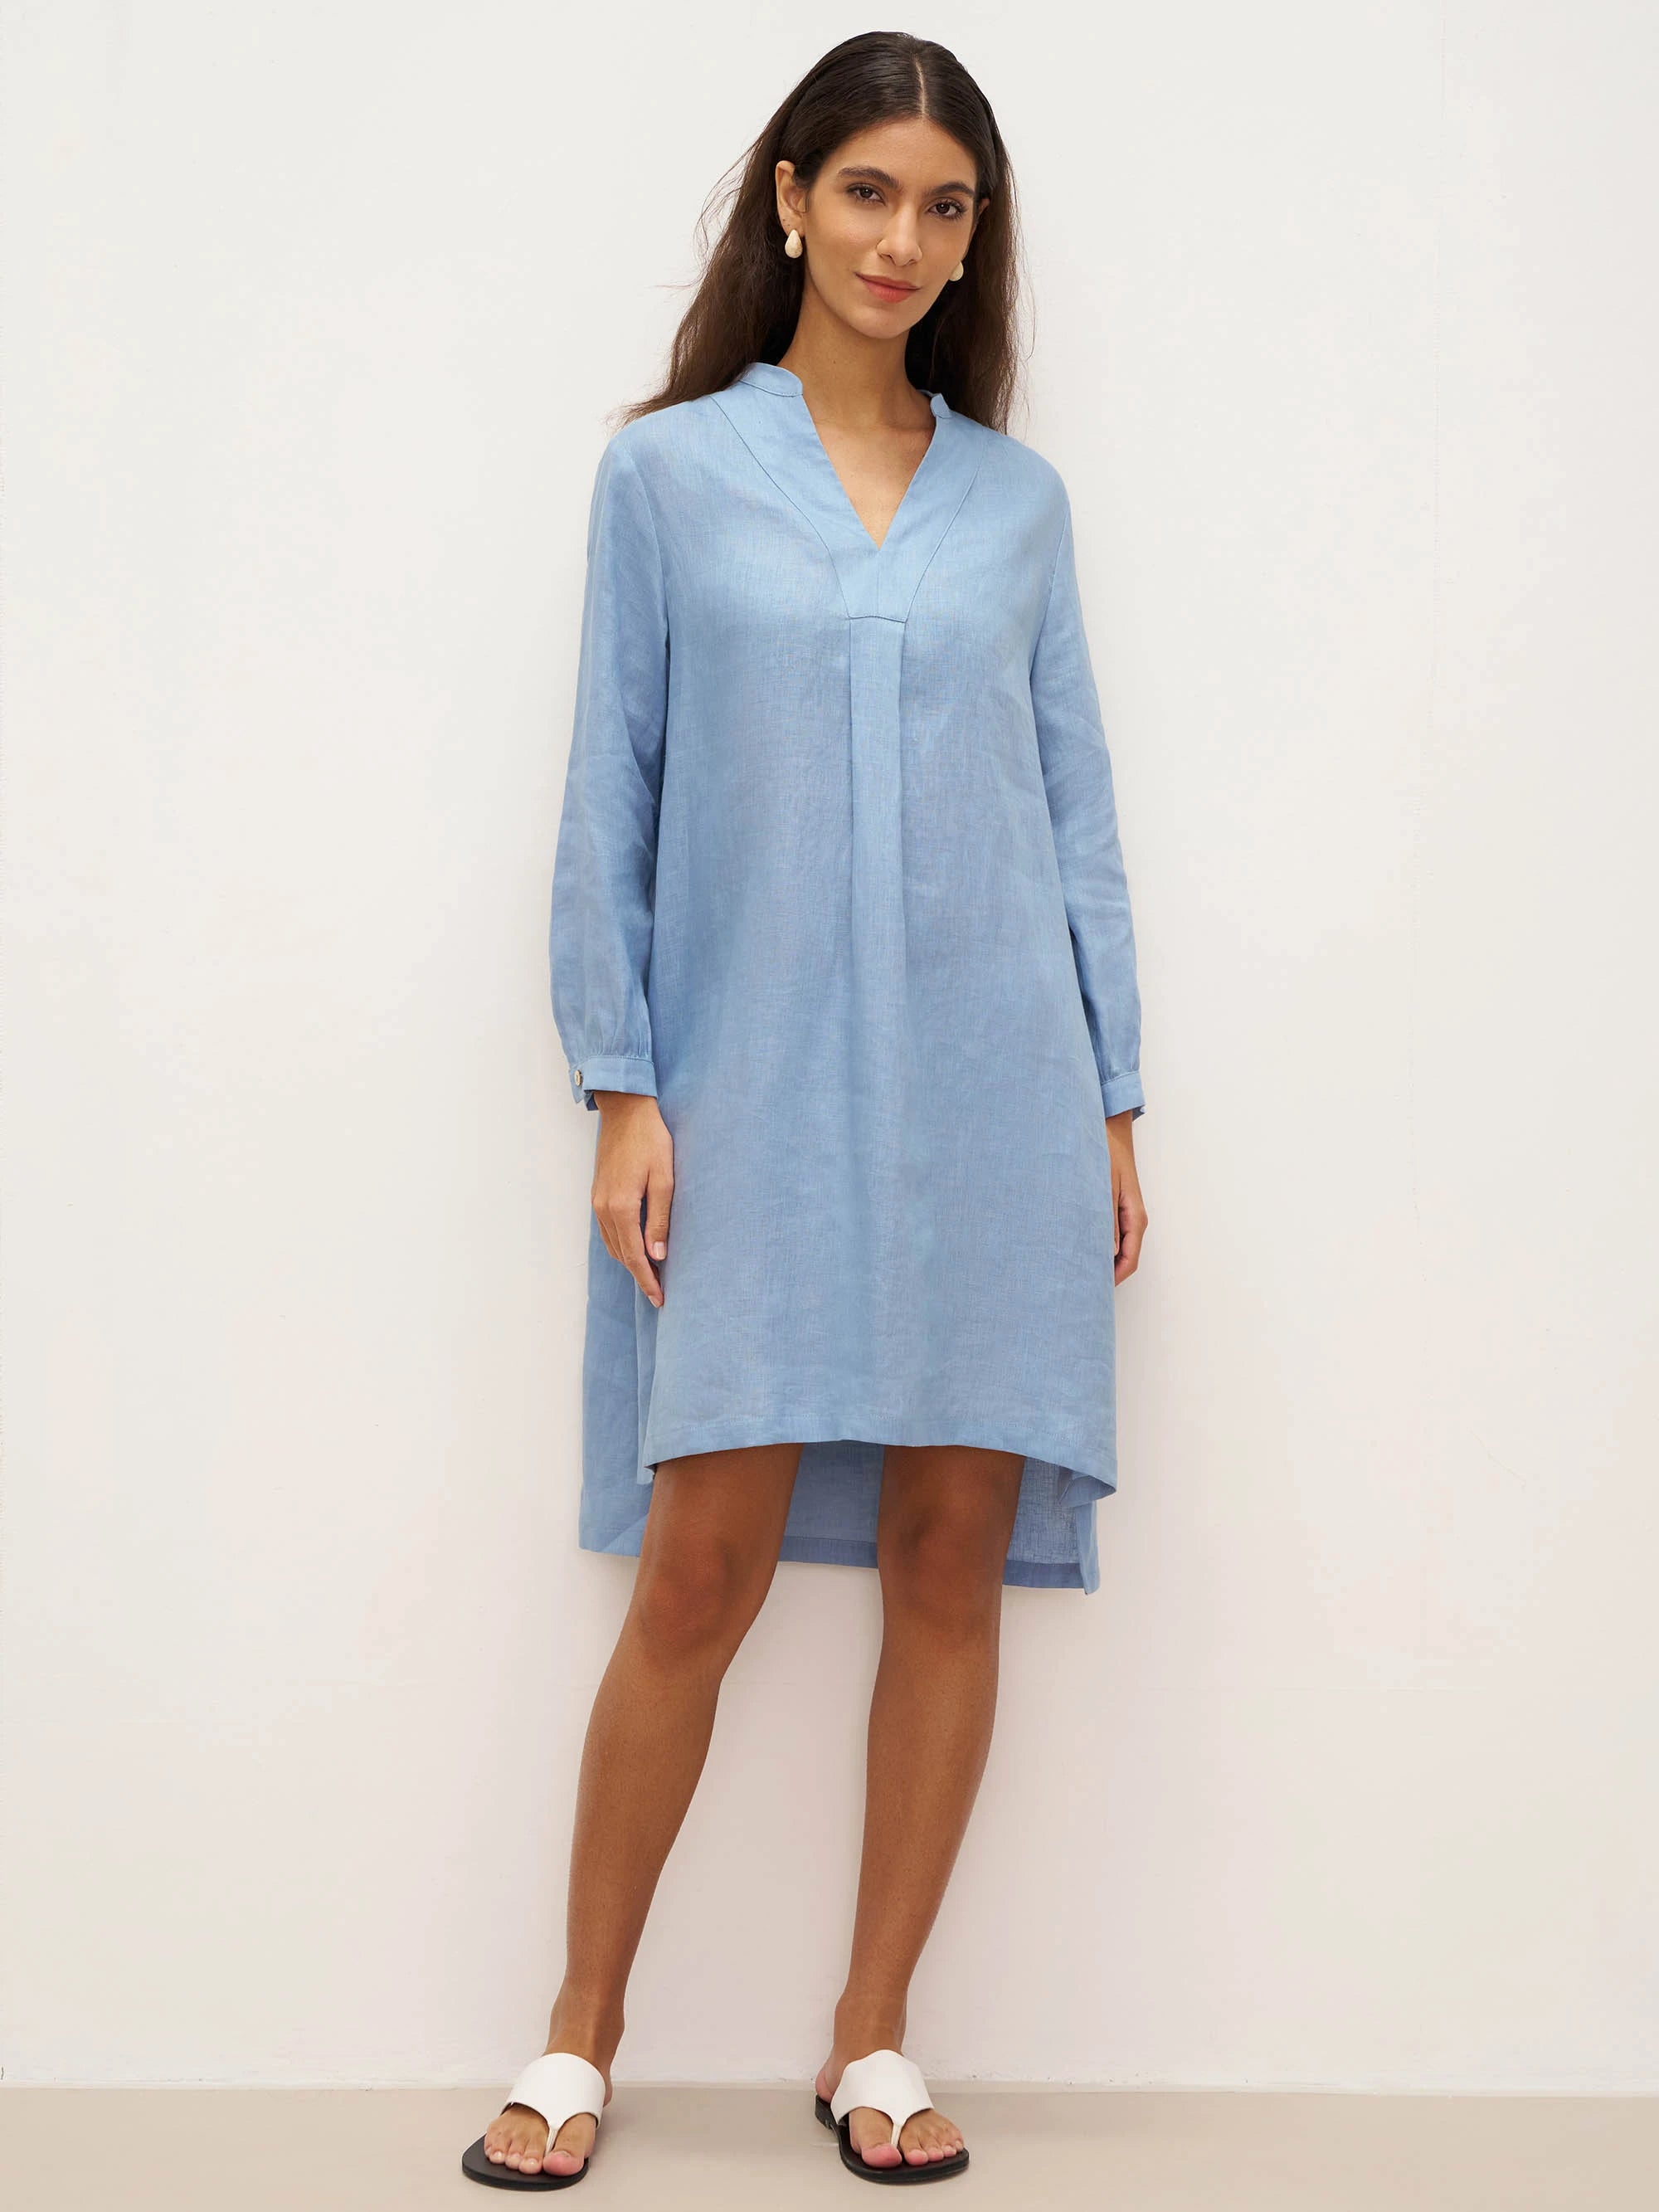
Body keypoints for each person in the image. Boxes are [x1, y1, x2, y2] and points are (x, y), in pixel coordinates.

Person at [461, 28, 1150, 2194]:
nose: (903, 241)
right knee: (704, 1562)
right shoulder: (668, 478)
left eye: (945, 206)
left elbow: (1073, 813)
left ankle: (874, 2033)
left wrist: (1113, 1098)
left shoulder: (1017, 503)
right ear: (787, 199)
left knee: (952, 1552)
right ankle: (579, 2032)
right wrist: (623, 1081)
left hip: (998, 1096)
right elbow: (611, 792)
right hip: (748, 1091)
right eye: (868, 192)